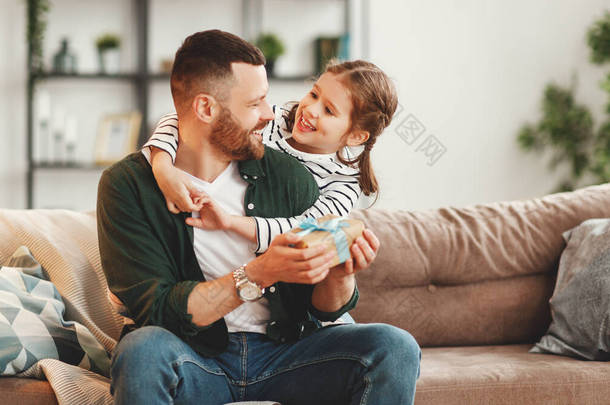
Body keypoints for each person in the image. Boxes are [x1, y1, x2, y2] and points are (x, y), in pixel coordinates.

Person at [97, 29, 421, 405]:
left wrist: (339, 272)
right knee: (141, 350)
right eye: (256, 103)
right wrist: (260, 271)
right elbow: (158, 311)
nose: (273, 114)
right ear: (206, 109)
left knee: (394, 347)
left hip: (287, 354)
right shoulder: (128, 186)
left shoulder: (290, 176)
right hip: (193, 356)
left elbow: (320, 308)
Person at [144, 59, 397, 257]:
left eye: (329, 110)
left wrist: (230, 223)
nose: (310, 109)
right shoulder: (274, 121)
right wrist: (163, 168)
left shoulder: (343, 183)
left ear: (355, 136)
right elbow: (187, 119)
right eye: (314, 94)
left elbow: (304, 232)